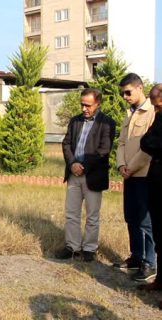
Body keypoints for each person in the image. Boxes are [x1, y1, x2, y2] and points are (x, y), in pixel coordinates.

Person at [56, 88, 116, 262]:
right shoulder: (75, 121)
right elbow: (66, 143)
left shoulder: (107, 123)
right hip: (74, 174)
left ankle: (89, 249)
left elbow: (104, 150)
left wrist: (83, 166)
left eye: (88, 105)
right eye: (82, 104)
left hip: (93, 175)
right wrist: (73, 163)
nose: (84, 108)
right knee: (71, 213)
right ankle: (72, 247)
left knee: (92, 215)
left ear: (98, 103)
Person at [113, 73, 156, 282]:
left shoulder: (152, 112)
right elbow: (121, 143)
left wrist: (131, 167)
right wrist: (122, 165)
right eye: (122, 93)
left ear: (140, 88)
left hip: (144, 174)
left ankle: (150, 263)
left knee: (145, 220)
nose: (125, 96)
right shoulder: (129, 114)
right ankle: (136, 257)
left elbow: (150, 148)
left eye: (128, 92)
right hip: (128, 174)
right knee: (130, 217)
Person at [139, 84, 162, 306]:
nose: (157, 110)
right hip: (156, 180)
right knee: (158, 232)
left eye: (159, 106)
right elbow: (145, 141)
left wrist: (155, 144)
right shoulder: (159, 117)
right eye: (155, 107)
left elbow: (152, 142)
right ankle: (160, 281)